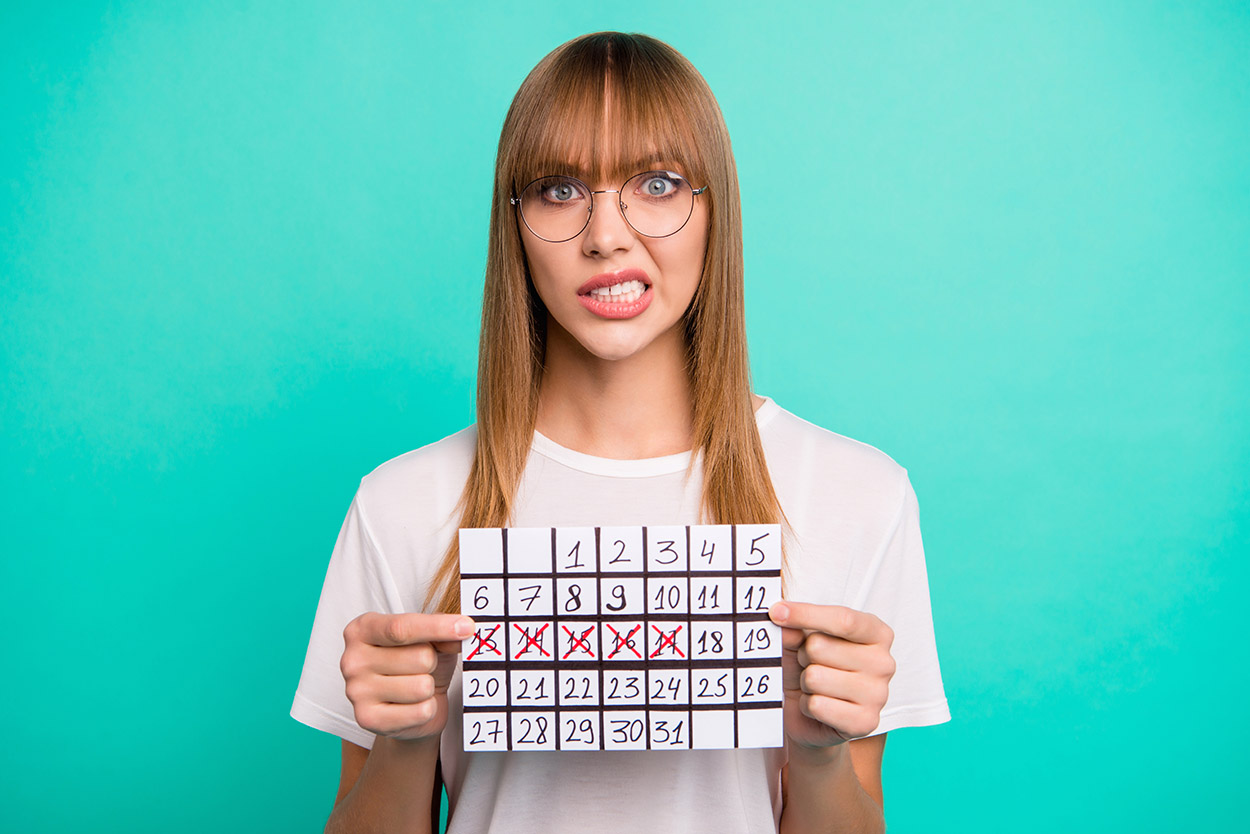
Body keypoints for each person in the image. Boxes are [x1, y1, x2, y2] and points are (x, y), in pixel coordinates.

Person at [291, 31, 949, 834]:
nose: (606, 234)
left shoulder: (857, 494)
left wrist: (814, 756)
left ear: (715, 210)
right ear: (515, 223)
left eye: (659, 184)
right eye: (560, 190)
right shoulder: (402, 502)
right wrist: (401, 746)